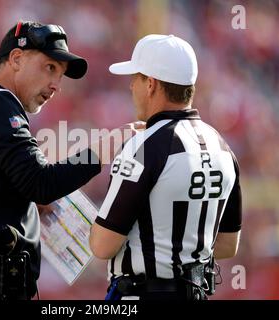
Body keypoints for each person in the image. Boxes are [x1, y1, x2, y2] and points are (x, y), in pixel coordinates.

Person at [0, 20, 142, 300]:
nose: (56, 84)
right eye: (50, 68)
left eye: (60, 75)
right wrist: (103, 150)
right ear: (16, 58)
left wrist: (8, 196)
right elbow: (40, 183)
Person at [89, 34, 242, 300]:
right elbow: (228, 244)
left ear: (151, 84)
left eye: (135, 78)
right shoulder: (222, 146)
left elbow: (102, 246)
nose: (130, 87)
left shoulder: (145, 146)